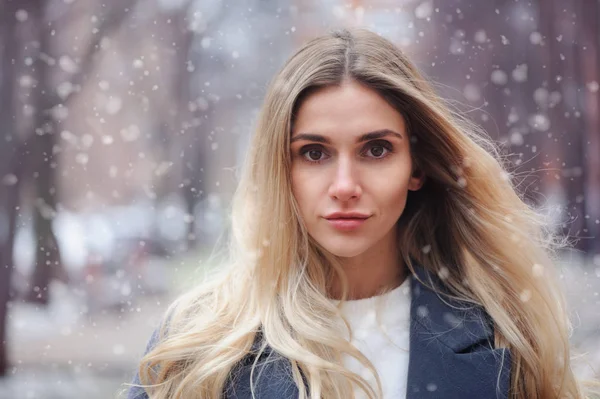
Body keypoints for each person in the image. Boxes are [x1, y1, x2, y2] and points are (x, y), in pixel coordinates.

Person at [125, 27, 596, 399]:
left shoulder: (503, 337)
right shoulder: (197, 346)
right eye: (313, 153)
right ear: (279, 170)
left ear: (416, 166)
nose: (345, 186)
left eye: (375, 149)